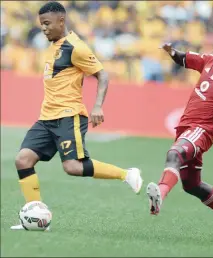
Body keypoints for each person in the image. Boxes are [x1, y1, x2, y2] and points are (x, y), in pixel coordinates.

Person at [11, 1, 143, 230]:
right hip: (46, 118)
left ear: (61, 21)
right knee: (23, 159)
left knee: (72, 167)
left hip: (68, 116)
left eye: (47, 23)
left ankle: (127, 174)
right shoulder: (53, 46)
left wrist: (98, 106)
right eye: (41, 24)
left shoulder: (76, 47)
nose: (43, 28)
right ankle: (36, 216)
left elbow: (102, 75)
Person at [146, 32, 213, 243]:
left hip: (202, 129)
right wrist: (171, 52)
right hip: (185, 128)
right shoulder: (208, 61)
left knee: (175, 154)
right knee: (192, 185)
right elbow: (184, 58)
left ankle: (160, 194)